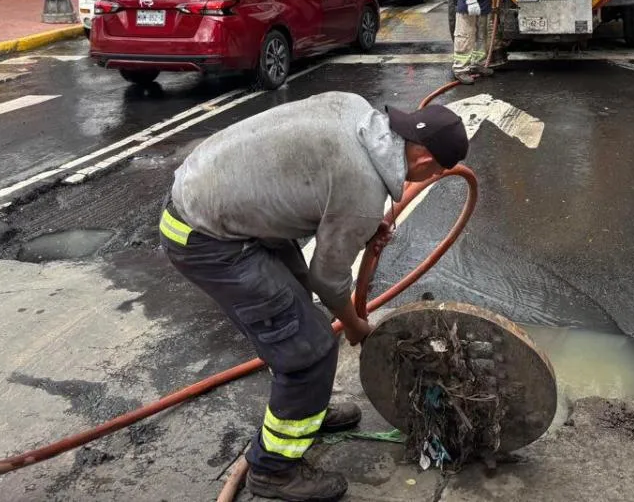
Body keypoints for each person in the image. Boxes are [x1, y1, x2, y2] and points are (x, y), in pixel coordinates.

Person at [160, 93, 469, 501]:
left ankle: (307, 409)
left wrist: (364, 219)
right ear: (427, 162)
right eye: (432, 174)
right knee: (311, 350)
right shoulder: (361, 189)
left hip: (220, 203)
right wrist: (357, 326)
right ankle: (273, 470)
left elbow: (319, 176)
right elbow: (329, 278)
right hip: (207, 238)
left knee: (298, 322)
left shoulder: (356, 108)